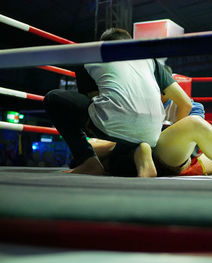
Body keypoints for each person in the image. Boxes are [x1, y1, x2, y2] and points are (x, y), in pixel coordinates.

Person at [44, 27, 192, 177]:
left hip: (114, 126)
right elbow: (186, 103)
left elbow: (94, 100)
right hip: (152, 135)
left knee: (54, 98)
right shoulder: (149, 60)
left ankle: (88, 161)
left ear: (103, 44)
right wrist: (171, 143)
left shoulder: (91, 55)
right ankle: (139, 151)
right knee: (120, 151)